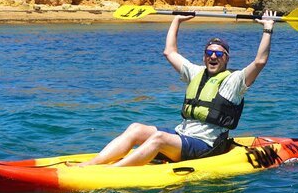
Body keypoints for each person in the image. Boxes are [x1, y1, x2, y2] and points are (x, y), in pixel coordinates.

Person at [76, 10, 277, 167]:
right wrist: (177, 21)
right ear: (204, 56)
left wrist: (267, 28)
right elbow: (169, 51)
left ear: (226, 58)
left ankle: (115, 171)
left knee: (159, 138)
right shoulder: (195, 72)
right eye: (209, 52)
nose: (213, 57)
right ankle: (94, 164)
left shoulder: (234, 81)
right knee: (136, 128)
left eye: (219, 54)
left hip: (206, 145)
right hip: (183, 137)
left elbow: (259, 61)